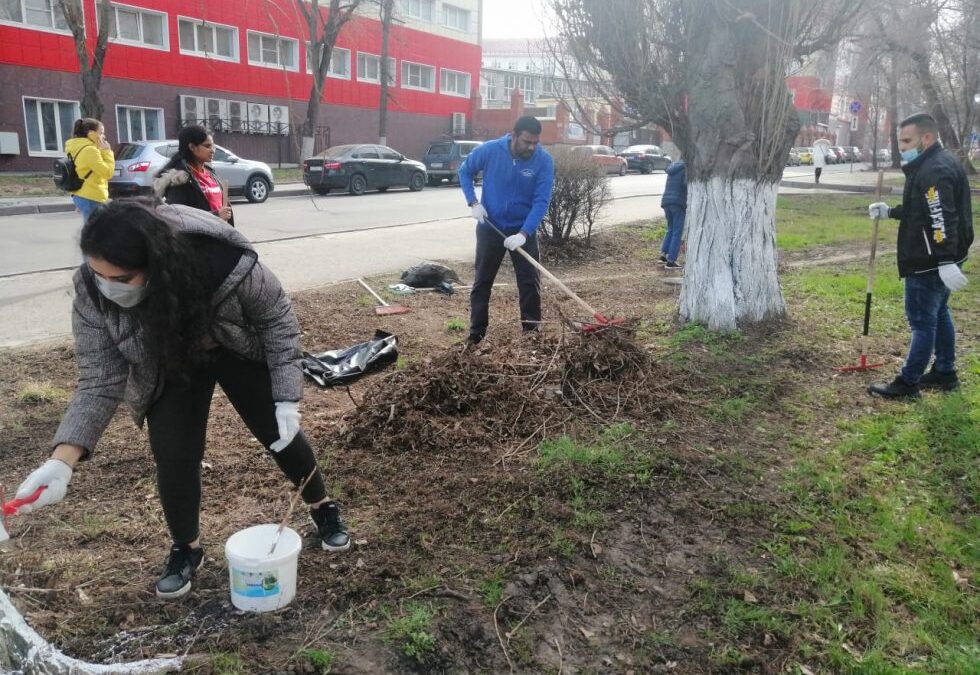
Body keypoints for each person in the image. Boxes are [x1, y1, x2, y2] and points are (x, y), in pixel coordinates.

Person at [12, 199, 350, 599]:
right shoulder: (92, 290)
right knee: (173, 452)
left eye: (120, 277)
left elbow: (278, 322)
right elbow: (100, 378)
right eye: (97, 273)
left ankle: (322, 506)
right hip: (169, 359)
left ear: (156, 265)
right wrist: (61, 461)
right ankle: (186, 549)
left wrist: (287, 397)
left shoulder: (222, 262)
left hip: (232, 345)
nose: (108, 286)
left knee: (279, 431)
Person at [867, 112, 973, 399]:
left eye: (906, 140)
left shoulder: (933, 171)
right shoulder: (936, 162)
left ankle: (907, 383)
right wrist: (890, 212)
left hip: (929, 261)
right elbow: (921, 210)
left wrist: (944, 261)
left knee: (922, 322)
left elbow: (941, 219)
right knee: (938, 313)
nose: (901, 147)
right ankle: (945, 372)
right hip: (941, 256)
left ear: (926, 139)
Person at [458, 116, 555, 345]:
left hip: (523, 229)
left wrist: (524, 233)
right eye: (526, 142)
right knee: (482, 282)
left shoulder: (543, 161)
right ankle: (476, 334)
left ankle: (531, 335)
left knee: (530, 282)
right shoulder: (491, 150)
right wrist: (473, 202)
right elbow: (465, 171)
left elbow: (541, 201)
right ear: (514, 136)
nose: (531, 147)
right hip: (491, 226)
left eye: (535, 143)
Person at [154, 125, 234, 226]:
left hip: (220, 235)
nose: (213, 150)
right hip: (199, 239)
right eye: (207, 146)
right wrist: (216, 216)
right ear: (192, 147)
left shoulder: (210, 173)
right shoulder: (179, 179)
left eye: (213, 146)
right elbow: (179, 217)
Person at [64, 118, 114, 223]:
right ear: (91, 134)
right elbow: (107, 173)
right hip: (91, 196)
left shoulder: (77, 147)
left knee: (92, 231)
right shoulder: (90, 150)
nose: (103, 137)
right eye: (101, 133)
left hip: (82, 194)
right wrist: (107, 152)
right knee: (94, 233)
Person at [659, 158, 687, 269]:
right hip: (678, 203)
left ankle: (663, 255)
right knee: (677, 232)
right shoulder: (685, 168)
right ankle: (671, 261)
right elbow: (686, 183)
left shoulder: (673, 167)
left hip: (666, 201)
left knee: (670, 229)